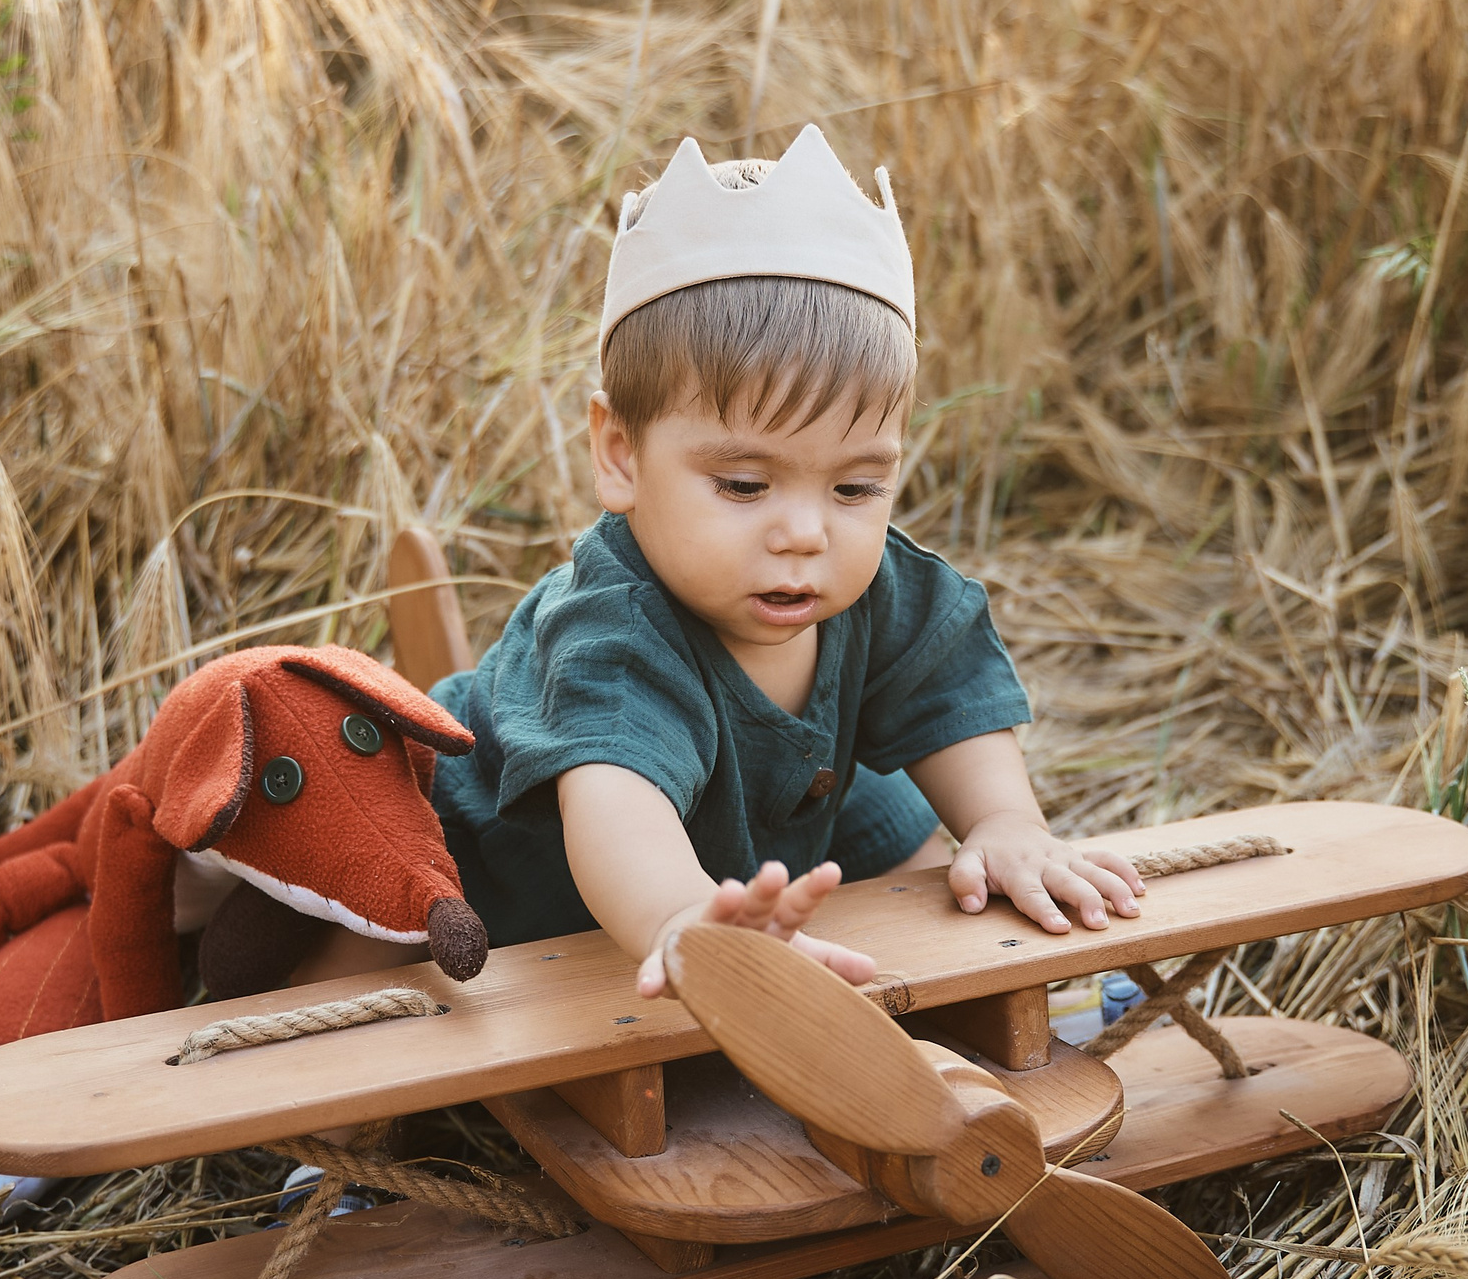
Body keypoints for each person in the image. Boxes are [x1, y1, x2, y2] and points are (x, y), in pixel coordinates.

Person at [304, 125, 1144, 998]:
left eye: (856, 487)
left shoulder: (872, 586)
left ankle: (991, 992)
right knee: (375, 935)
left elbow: (950, 695)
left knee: (916, 842)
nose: (806, 533)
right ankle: (328, 1094)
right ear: (621, 455)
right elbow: (615, 808)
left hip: (765, 822)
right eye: (745, 485)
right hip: (509, 878)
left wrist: (1006, 821)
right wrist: (678, 917)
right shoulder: (612, 629)